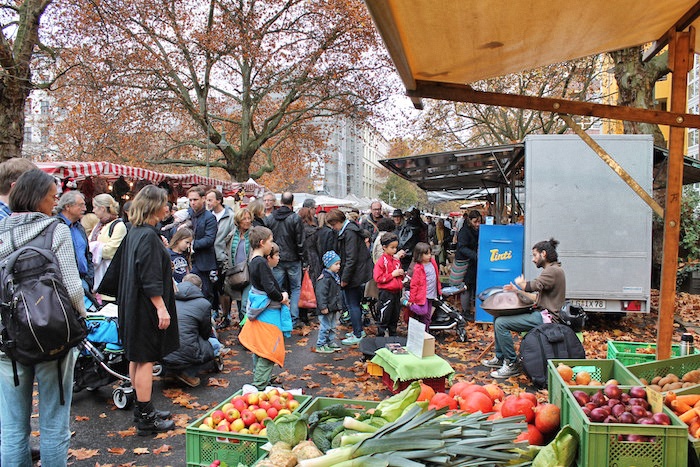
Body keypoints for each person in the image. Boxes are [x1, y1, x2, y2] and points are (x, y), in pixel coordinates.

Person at [0, 169, 86, 465]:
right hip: (52, 334)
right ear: (38, 199)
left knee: (11, 427)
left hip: (6, 340)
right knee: (53, 422)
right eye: (52, 197)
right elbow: (73, 288)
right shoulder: (55, 230)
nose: (55, 203)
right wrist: (81, 317)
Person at [115, 185, 178, 435]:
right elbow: (150, 277)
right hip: (144, 307)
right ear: (153, 206)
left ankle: (143, 409)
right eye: (164, 203)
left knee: (136, 358)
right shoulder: (148, 236)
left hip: (132, 304)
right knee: (144, 361)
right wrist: (161, 308)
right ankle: (146, 419)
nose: (167, 208)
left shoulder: (135, 232)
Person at [482, 238, 566, 379]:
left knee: (502, 323)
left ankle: (511, 364)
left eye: (534, 255)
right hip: (543, 313)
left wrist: (521, 284)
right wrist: (516, 291)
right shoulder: (553, 270)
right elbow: (537, 298)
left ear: (543, 254)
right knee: (498, 317)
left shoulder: (552, 271)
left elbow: (531, 286)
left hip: (548, 319)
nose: (533, 259)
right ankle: (501, 357)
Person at [238, 229, 291, 390]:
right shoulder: (261, 262)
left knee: (261, 348)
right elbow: (270, 288)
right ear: (262, 243)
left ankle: (263, 378)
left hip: (260, 311)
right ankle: (259, 385)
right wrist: (282, 297)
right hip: (268, 313)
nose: (271, 244)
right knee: (268, 350)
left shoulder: (253, 260)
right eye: (270, 241)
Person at [162, 274, 224, 388]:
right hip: (187, 351)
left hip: (163, 350)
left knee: (177, 341)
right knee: (214, 345)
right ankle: (187, 374)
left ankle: (169, 372)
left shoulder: (166, 299)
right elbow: (205, 333)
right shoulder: (204, 304)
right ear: (199, 288)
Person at [325, 209, 373, 345]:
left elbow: (351, 258)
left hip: (354, 275)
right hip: (357, 273)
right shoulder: (351, 230)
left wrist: (344, 279)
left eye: (333, 225)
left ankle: (358, 333)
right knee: (354, 304)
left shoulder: (349, 233)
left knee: (352, 305)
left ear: (338, 222)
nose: (333, 228)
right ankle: (358, 330)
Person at [265, 192, 305, 328]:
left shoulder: (271, 218)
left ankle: (279, 318)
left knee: (278, 289)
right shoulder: (295, 218)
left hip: (276, 258)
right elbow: (300, 241)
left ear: (280, 201)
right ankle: (293, 318)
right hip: (293, 258)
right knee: (295, 288)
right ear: (292, 203)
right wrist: (302, 258)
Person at [206, 189, 236, 327]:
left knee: (223, 289)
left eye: (210, 200)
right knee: (211, 288)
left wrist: (225, 255)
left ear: (218, 200)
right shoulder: (207, 216)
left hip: (221, 258)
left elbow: (231, 237)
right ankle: (214, 312)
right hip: (208, 256)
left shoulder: (230, 216)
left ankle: (226, 315)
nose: (208, 202)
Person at [186, 186, 218, 310]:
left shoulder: (209, 217)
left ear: (203, 199)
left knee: (205, 293)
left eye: (195, 199)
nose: (193, 203)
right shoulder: (187, 215)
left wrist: (191, 244)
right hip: (189, 261)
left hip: (204, 263)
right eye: (190, 200)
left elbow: (210, 239)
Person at [56, 191, 94, 294]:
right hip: (64, 286)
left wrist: (89, 279)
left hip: (83, 282)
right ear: (68, 206)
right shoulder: (55, 226)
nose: (85, 209)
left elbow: (87, 255)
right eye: (81, 205)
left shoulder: (79, 227)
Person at [90, 193, 127, 295]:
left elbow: (111, 251)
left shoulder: (118, 226)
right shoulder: (98, 225)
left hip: (109, 279)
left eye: (94, 207)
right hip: (97, 276)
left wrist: (94, 246)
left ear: (102, 208)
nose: (93, 211)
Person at [224, 208, 253, 326]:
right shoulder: (232, 235)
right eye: (244, 218)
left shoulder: (254, 234)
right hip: (235, 274)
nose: (247, 221)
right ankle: (243, 331)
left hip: (249, 274)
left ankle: (248, 333)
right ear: (238, 221)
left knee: (245, 306)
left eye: (248, 218)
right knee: (240, 303)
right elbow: (225, 250)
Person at [373, 233, 405, 337]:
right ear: (384, 247)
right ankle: (381, 334)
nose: (394, 250)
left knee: (395, 314)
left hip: (397, 291)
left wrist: (401, 275)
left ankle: (393, 334)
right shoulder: (381, 262)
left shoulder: (396, 260)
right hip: (386, 292)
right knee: (385, 314)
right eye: (392, 247)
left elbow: (398, 275)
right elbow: (378, 278)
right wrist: (392, 275)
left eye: (396, 247)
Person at [407, 242, 442, 331]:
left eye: (430, 253)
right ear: (419, 255)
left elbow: (436, 276)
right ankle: (406, 302)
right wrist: (412, 299)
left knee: (427, 317)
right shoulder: (418, 268)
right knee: (423, 311)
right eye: (426, 254)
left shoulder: (432, 262)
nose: (429, 256)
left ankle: (425, 332)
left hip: (431, 293)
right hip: (422, 295)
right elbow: (414, 284)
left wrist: (439, 289)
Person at [314, 251, 344, 353]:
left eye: (339, 264)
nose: (338, 266)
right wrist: (323, 307)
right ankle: (321, 344)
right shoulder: (324, 279)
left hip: (333, 307)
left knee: (332, 326)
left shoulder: (334, 277)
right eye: (336, 264)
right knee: (325, 326)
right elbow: (321, 294)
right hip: (326, 307)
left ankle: (330, 342)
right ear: (328, 265)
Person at [454, 210, 482, 313]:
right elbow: (462, 247)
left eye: (479, 222)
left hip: (472, 262)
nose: (478, 224)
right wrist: (475, 255)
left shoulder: (475, 230)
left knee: (472, 285)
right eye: (475, 222)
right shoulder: (464, 231)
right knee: (466, 287)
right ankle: (465, 311)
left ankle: (471, 308)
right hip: (465, 262)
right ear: (469, 220)